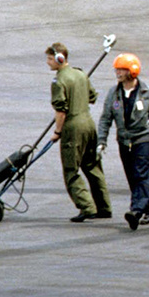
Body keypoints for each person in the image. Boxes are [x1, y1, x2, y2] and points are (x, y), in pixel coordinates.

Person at [96, 53, 149, 231]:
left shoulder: (148, 93)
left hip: (142, 140)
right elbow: (105, 119)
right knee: (133, 178)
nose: (117, 72)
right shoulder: (113, 93)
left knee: (141, 176)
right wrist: (101, 141)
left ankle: (136, 211)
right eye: (117, 69)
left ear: (132, 71)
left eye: (122, 69)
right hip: (124, 142)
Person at [46, 42, 110, 222]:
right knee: (93, 166)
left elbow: (61, 111)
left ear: (60, 59)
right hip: (89, 124)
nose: (48, 62)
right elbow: (92, 97)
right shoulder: (80, 74)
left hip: (73, 128)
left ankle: (87, 207)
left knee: (70, 170)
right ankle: (104, 207)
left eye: (50, 59)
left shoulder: (59, 81)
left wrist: (57, 132)